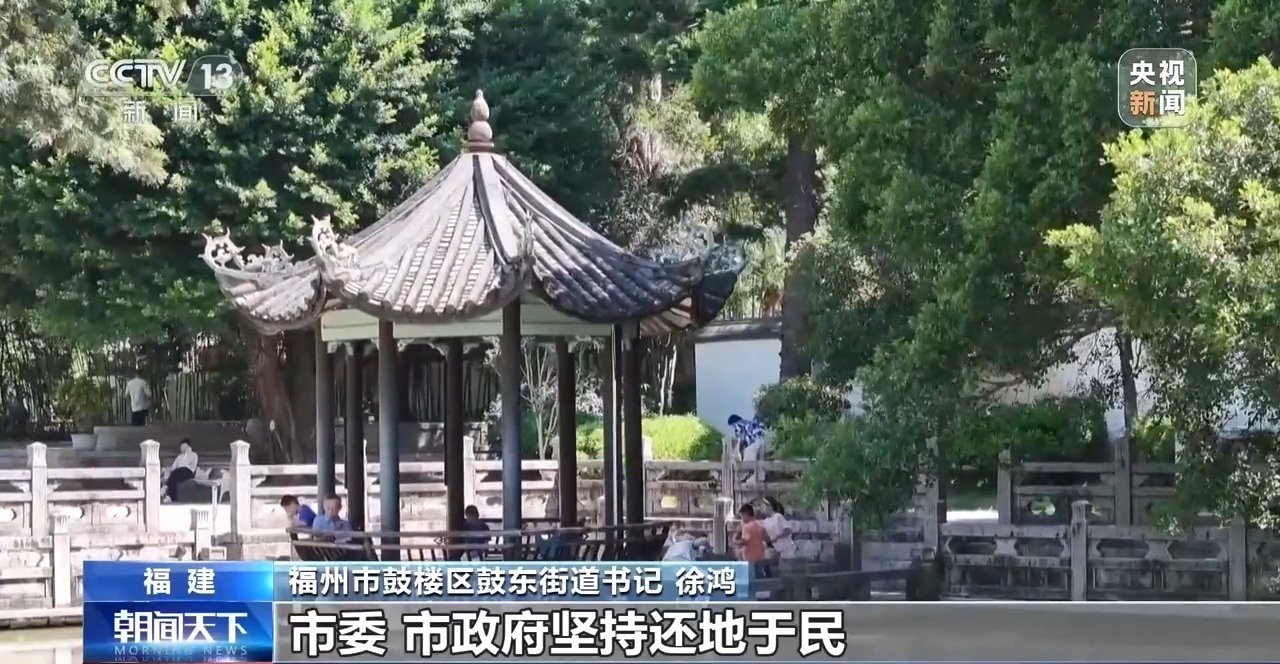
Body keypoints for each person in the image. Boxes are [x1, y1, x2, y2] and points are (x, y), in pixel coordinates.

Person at [736, 503, 771, 577]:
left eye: (742, 516)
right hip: (760, 555)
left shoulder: (747, 527)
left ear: (745, 515)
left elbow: (745, 541)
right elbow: (767, 539)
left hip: (749, 557)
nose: (742, 519)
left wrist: (736, 541)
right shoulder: (760, 525)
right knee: (759, 577)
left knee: (750, 578)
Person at [761, 497, 798, 562]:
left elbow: (788, 530)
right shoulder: (765, 521)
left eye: (763, 506)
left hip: (788, 549)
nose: (762, 508)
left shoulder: (778, 517)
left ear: (769, 506)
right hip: (777, 551)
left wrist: (777, 537)